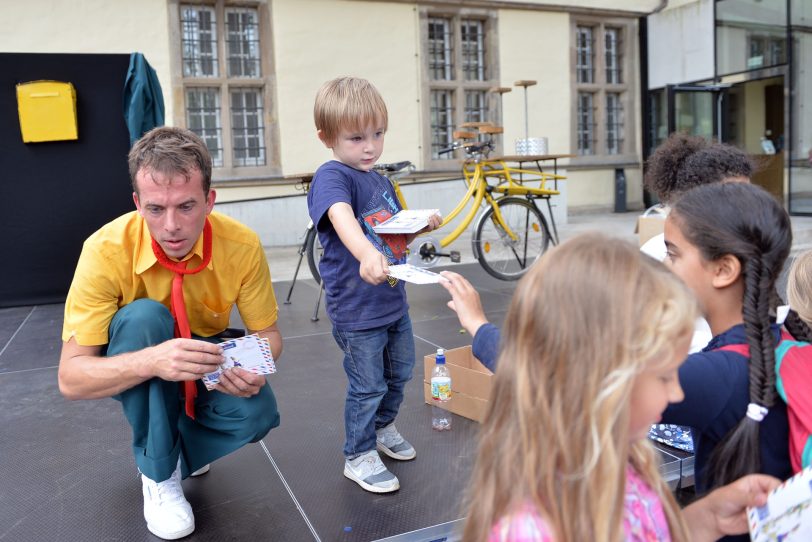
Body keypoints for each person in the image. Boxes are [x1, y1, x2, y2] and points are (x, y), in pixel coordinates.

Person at [461, 233, 780, 542]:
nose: (677, 393)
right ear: (602, 380)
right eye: (665, 376)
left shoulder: (625, 460)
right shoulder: (535, 530)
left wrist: (709, 517)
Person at [58, 127, 283, 540]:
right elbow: (71, 379)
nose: (172, 226)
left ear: (210, 201)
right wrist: (153, 360)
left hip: (207, 355)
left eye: (187, 206)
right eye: (156, 209)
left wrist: (250, 367)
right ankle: (158, 474)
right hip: (140, 353)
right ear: (137, 203)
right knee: (144, 319)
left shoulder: (241, 245)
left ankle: (176, 446)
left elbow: (268, 334)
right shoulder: (105, 249)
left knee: (259, 414)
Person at [307, 77, 441, 493]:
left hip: (392, 302)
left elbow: (393, 237)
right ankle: (358, 454)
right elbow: (341, 216)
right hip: (357, 311)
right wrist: (366, 254)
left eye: (378, 134)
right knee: (368, 385)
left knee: (399, 372)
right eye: (357, 137)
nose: (370, 147)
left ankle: (382, 430)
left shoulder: (381, 181)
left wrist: (418, 227)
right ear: (327, 138)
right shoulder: (333, 176)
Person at [660, 182, 805, 540]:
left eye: (673, 254)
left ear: (724, 269)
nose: (662, 267)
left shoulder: (719, 376)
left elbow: (572, 378)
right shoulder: (784, 337)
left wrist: (493, 332)